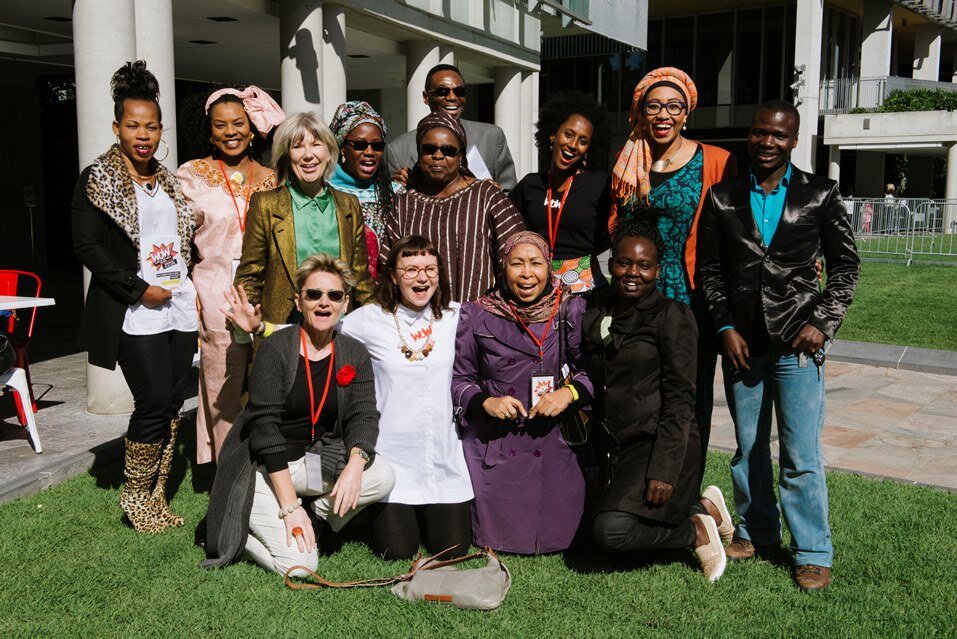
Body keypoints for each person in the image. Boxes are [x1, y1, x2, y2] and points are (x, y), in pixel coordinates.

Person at [696, 100, 860, 590]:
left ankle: (812, 550)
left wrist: (823, 322)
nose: (768, 142)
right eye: (759, 132)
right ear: (750, 135)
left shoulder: (820, 194)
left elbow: (846, 267)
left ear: (794, 140)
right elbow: (709, 271)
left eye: (779, 135)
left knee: (800, 451)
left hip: (798, 343)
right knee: (748, 448)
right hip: (743, 344)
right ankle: (754, 529)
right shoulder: (722, 197)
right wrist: (724, 328)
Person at [201, 255, 395, 575]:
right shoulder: (275, 349)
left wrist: (356, 464)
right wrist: (290, 508)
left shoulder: (354, 353)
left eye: (334, 295)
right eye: (313, 294)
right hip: (269, 467)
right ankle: (232, 528)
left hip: (319, 460)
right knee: (301, 567)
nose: (323, 303)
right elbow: (265, 429)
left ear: (345, 303)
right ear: (298, 301)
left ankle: (317, 517)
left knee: (382, 474)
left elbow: (364, 415)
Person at [71, 61, 197, 533]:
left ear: (160, 129)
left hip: (178, 307)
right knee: (151, 402)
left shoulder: (166, 180)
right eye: (132, 125)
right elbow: (87, 247)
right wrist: (138, 287)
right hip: (133, 311)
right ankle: (135, 496)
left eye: (150, 126)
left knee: (170, 403)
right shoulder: (98, 179)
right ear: (117, 127)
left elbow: (179, 236)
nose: (142, 135)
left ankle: (158, 493)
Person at [582, 218, 731, 582]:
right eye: (624, 263)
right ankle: (707, 507)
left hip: (661, 444)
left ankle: (694, 530)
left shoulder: (672, 317)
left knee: (611, 532)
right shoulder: (598, 309)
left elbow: (682, 400)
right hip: (617, 446)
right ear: (610, 264)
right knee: (587, 534)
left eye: (644, 265)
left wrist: (663, 470)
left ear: (658, 270)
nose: (633, 273)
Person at [610, 67, 737, 466]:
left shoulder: (715, 161)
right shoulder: (627, 162)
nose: (663, 115)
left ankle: (683, 490)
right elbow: (612, 222)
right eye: (654, 106)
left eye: (674, 106)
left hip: (690, 298)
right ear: (640, 112)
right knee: (638, 391)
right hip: (635, 295)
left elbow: (743, 224)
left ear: (687, 113)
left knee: (688, 395)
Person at [451, 231, 592, 554]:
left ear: (549, 267)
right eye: (517, 264)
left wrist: (567, 394)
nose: (527, 273)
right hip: (496, 440)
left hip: (553, 439)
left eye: (535, 263)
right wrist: (486, 401)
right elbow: (460, 379)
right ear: (503, 268)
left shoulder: (569, 310)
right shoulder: (477, 314)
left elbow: (592, 372)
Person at [340, 235, 473, 560]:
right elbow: (318, 330)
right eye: (411, 269)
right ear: (394, 275)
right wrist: (259, 329)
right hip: (393, 458)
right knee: (396, 551)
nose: (422, 277)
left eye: (430, 268)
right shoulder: (369, 319)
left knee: (453, 551)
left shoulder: (457, 317)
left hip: (443, 455)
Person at [177, 85, 283, 464]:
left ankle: (267, 461)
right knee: (222, 382)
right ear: (209, 132)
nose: (230, 131)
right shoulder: (191, 175)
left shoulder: (273, 177)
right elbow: (178, 240)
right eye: (220, 125)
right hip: (215, 295)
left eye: (238, 123)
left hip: (265, 295)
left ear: (252, 128)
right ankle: (227, 468)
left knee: (266, 381)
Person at [235, 112, 374, 335]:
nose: (308, 155)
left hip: (340, 330)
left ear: (329, 152)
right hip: (282, 330)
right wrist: (248, 312)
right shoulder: (265, 205)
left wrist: (376, 322)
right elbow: (250, 274)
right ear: (287, 156)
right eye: (298, 147)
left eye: (316, 145)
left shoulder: (349, 205)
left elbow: (360, 276)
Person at [381, 111, 525, 303]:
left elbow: (515, 254)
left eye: (449, 150)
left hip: (478, 319)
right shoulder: (403, 204)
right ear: (419, 152)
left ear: (461, 157)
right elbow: (386, 265)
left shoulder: (487, 196)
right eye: (429, 149)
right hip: (418, 323)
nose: (438, 156)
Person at [509, 91, 613, 293]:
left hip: (586, 293)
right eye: (568, 134)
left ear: (588, 150)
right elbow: (507, 228)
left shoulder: (600, 184)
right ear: (552, 135)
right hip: (535, 289)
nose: (573, 145)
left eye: (583, 141)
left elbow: (609, 233)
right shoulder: (530, 185)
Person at [385, 64, 517, 191]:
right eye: (442, 91)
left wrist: (495, 193)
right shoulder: (397, 150)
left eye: (459, 91)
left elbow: (510, 193)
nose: (452, 97)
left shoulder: (492, 137)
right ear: (426, 97)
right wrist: (399, 187)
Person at [329, 101, 401, 279]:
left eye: (377, 146)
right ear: (342, 148)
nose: (370, 152)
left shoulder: (397, 193)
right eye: (360, 145)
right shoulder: (324, 191)